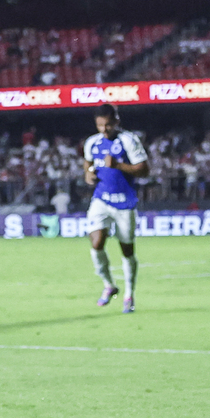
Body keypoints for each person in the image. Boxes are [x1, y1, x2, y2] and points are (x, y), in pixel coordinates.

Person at [83, 103, 148, 313]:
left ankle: (129, 295)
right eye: (100, 125)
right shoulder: (92, 142)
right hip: (101, 199)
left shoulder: (128, 140)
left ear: (116, 122)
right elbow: (88, 163)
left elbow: (144, 170)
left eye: (108, 125)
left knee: (127, 250)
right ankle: (109, 285)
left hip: (124, 202)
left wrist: (118, 165)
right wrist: (88, 174)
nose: (104, 130)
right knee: (96, 242)